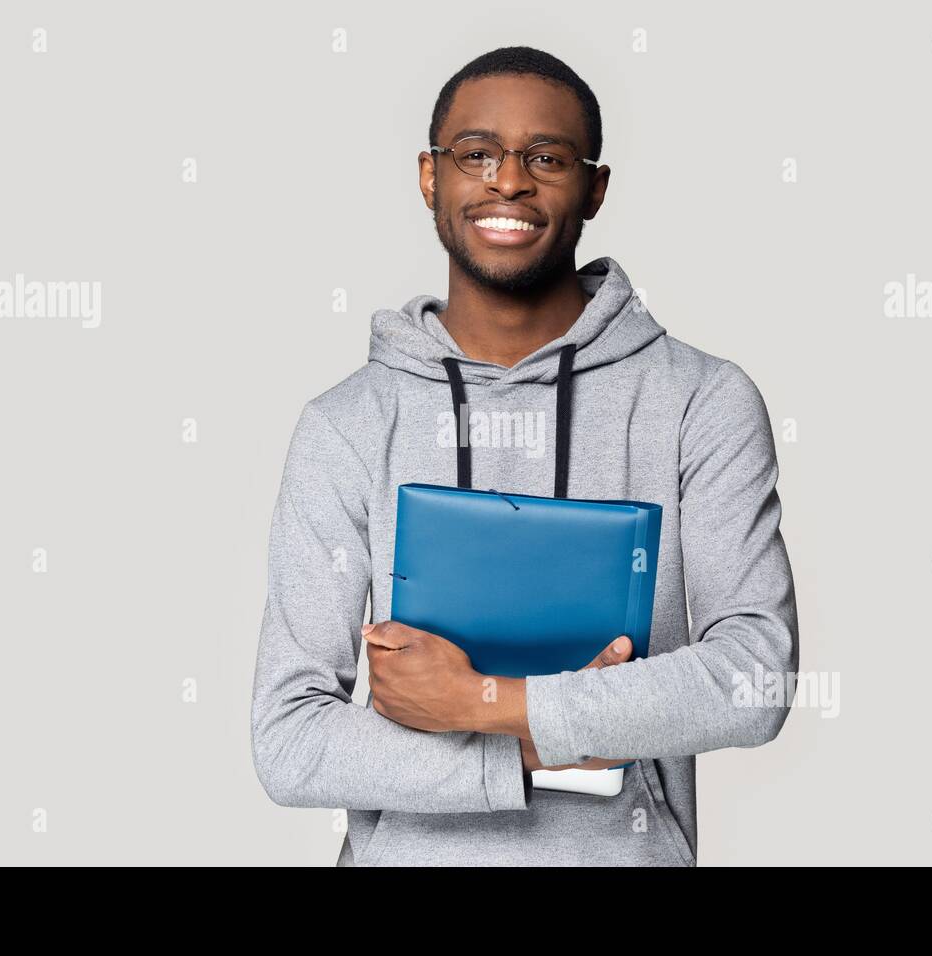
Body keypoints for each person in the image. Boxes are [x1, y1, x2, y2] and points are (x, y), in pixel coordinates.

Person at [250, 45, 799, 866]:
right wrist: (525, 752)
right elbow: (289, 741)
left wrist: (484, 700)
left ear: (595, 188)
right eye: (476, 154)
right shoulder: (347, 423)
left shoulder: (700, 401)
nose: (508, 181)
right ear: (431, 178)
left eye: (546, 157)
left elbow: (756, 679)